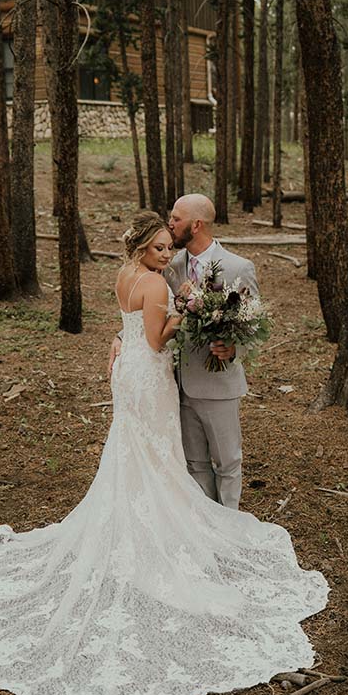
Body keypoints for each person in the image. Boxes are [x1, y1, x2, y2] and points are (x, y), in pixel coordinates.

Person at [0, 212, 329, 695]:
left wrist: (142, 328)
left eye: (169, 247)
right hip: (150, 377)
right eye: (160, 247)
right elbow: (158, 340)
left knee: (137, 454)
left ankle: (142, 518)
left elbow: (128, 327)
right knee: (156, 455)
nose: (167, 254)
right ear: (142, 247)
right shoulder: (155, 283)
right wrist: (187, 311)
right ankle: (159, 531)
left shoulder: (124, 274)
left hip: (130, 375)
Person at [109, 194, 259, 509]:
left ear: (196, 224)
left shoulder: (238, 267)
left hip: (217, 383)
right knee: (194, 464)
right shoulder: (169, 265)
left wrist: (234, 348)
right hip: (175, 383)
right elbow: (149, 312)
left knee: (228, 462)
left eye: (176, 219)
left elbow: (255, 323)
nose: (171, 223)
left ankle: (228, 520)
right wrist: (122, 336)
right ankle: (205, 517)